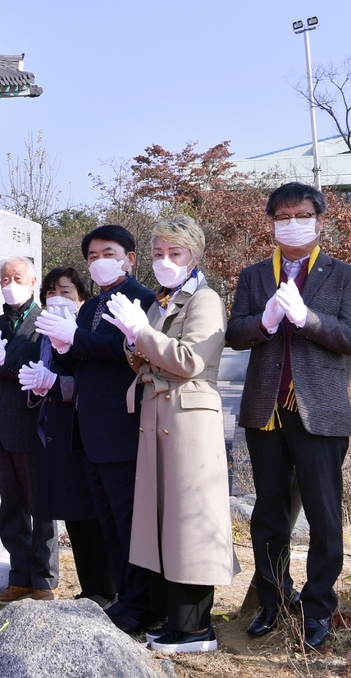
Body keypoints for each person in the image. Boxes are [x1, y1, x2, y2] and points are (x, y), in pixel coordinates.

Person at [227, 182, 351, 648]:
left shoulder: (345, 275)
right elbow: (234, 332)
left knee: (324, 516)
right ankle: (273, 599)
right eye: (282, 216)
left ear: (320, 220)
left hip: (320, 410)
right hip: (265, 409)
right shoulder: (253, 275)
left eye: (301, 214)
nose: (292, 223)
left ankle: (319, 606)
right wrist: (264, 323)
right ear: (271, 223)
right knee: (267, 512)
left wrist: (308, 319)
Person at [103, 215, 237, 653]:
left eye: (173, 253)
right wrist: (132, 340)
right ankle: (171, 618)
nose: (164, 261)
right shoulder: (162, 302)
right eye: (158, 253)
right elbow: (146, 363)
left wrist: (141, 334)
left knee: (190, 521)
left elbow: (190, 360)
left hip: (189, 417)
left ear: (193, 256)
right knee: (162, 518)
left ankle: (196, 628)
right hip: (158, 414)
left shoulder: (206, 300)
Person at [35, 225, 158, 632]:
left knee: (128, 522)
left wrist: (77, 340)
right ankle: (122, 597)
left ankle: (139, 604)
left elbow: (128, 350)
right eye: (91, 256)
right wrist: (60, 352)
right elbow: (82, 358)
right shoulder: (91, 307)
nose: (98, 261)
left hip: (123, 426)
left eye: (107, 252)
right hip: (88, 429)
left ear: (130, 258)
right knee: (107, 521)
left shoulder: (144, 300)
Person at [19, 267, 116, 608]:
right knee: (72, 512)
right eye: (50, 292)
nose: (56, 298)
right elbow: (36, 383)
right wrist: (36, 384)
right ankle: (90, 588)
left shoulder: (86, 332)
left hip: (84, 430)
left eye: (65, 291)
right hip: (54, 432)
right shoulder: (44, 336)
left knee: (92, 512)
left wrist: (56, 384)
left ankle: (106, 589)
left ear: (81, 298)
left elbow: (92, 382)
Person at [0, 256, 59, 604]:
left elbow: (37, 367)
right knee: (12, 506)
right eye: (4, 278)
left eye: (17, 277)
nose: (10, 283)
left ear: (33, 281)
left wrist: (2, 361)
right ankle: (18, 577)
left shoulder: (45, 323)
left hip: (32, 425)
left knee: (41, 505)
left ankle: (44, 580)